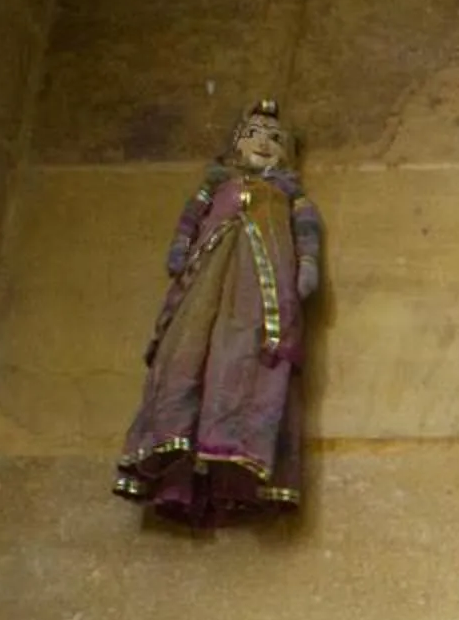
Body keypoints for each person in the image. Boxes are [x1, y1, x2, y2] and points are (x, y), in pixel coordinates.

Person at [114, 98, 325, 527]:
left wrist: (307, 268)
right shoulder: (217, 188)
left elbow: (308, 236)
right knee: (187, 354)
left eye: (274, 139)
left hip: (260, 299)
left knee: (245, 362)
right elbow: (189, 224)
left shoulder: (290, 197)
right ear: (234, 146)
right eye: (254, 135)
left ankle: (237, 458)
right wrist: (179, 254)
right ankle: (177, 448)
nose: (264, 143)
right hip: (205, 285)